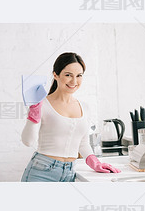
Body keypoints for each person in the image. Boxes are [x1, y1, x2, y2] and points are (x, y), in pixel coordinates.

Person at [21, 52, 120, 182]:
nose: (74, 81)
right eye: (68, 75)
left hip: (69, 174)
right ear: (55, 75)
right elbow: (28, 141)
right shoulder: (42, 104)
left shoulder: (84, 107)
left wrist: (94, 162)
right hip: (41, 172)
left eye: (79, 76)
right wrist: (33, 114)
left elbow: (83, 142)